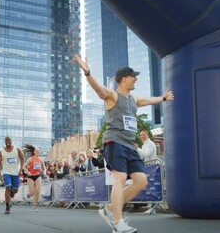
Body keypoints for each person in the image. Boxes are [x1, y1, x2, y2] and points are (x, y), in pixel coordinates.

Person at [74, 55, 174, 233]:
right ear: (123, 79)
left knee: (141, 181)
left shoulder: (133, 100)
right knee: (119, 179)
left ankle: (110, 209)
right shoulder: (113, 96)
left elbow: (149, 100)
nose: (136, 78)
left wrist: (163, 98)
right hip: (114, 142)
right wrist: (88, 73)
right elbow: (99, 91)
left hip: (129, 145)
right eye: (133, 76)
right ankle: (118, 222)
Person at [0, 136, 24, 214]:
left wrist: (21, 169)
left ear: (11, 141)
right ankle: (7, 207)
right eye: (6, 140)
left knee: (15, 190)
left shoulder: (17, 150)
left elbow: (22, 159)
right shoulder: (1, 151)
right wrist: (0, 174)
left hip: (16, 173)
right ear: (4, 142)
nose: (8, 141)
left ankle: (12, 192)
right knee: (7, 187)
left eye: (9, 140)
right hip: (6, 173)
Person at [137, 129, 158, 214]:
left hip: (153, 167)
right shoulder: (144, 145)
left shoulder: (151, 144)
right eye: (141, 135)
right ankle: (152, 205)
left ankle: (154, 207)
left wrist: (138, 148)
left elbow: (147, 154)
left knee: (153, 186)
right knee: (149, 186)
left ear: (148, 135)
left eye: (144, 134)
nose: (142, 136)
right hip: (147, 167)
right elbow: (142, 157)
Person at [23, 144, 47, 212]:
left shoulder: (41, 160)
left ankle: (34, 207)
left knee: (38, 191)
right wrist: (27, 172)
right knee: (32, 193)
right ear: (34, 152)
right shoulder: (30, 159)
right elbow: (24, 167)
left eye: (39, 150)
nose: (38, 151)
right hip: (30, 176)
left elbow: (44, 168)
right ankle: (29, 194)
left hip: (38, 176)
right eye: (36, 150)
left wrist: (44, 172)